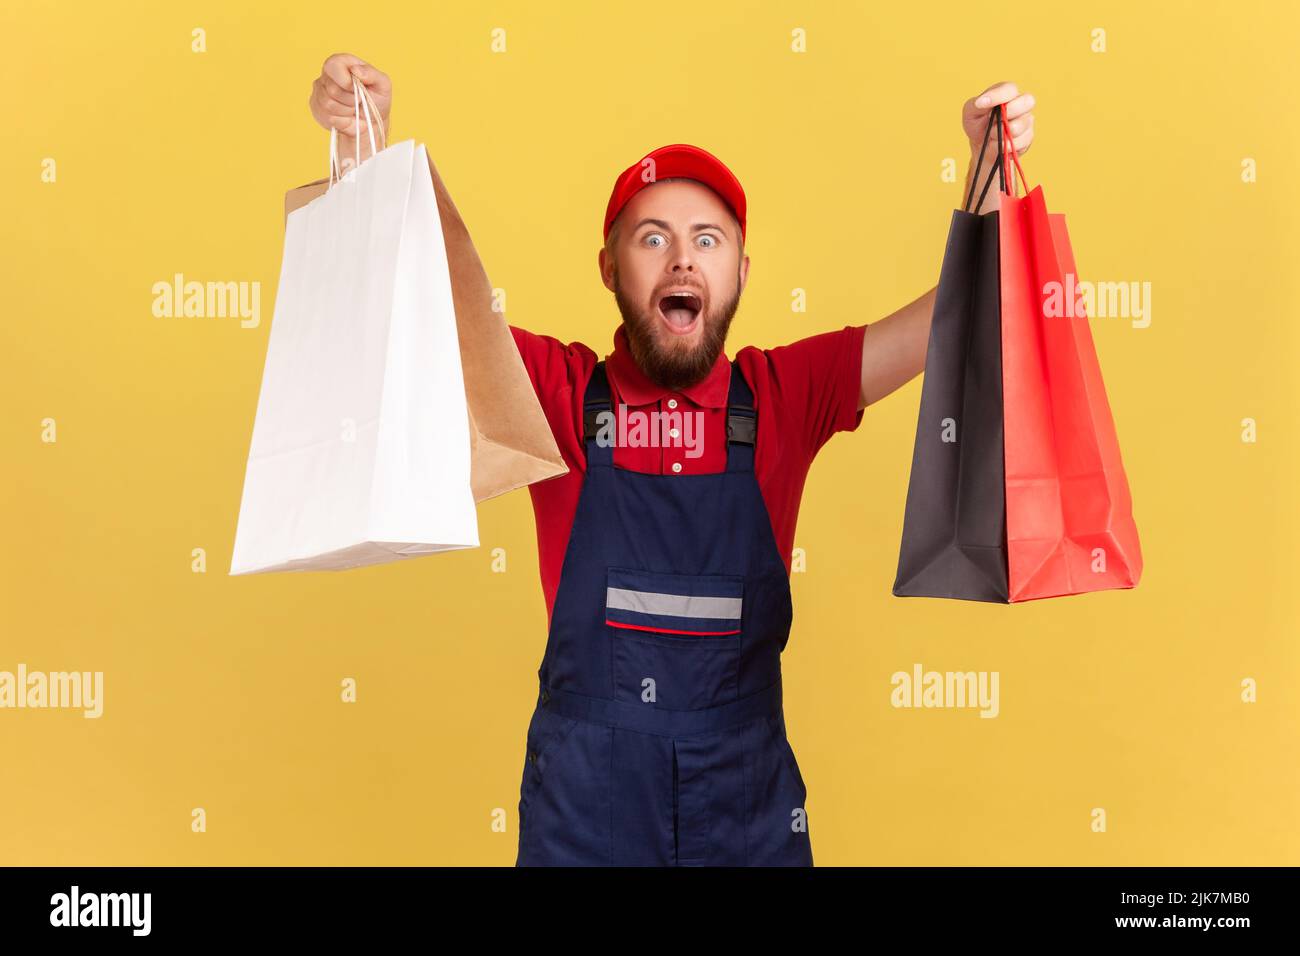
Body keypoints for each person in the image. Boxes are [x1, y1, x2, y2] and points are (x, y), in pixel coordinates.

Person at [308, 52, 1036, 866]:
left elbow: (960, 316)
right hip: (586, 814)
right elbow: (416, 305)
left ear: (740, 274)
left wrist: (991, 180)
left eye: (708, 240)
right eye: (652, 238)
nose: (682, 259)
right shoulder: (555, 393)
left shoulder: (786, 395)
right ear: (611, 269)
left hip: (747, 814)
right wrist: (361, 154)